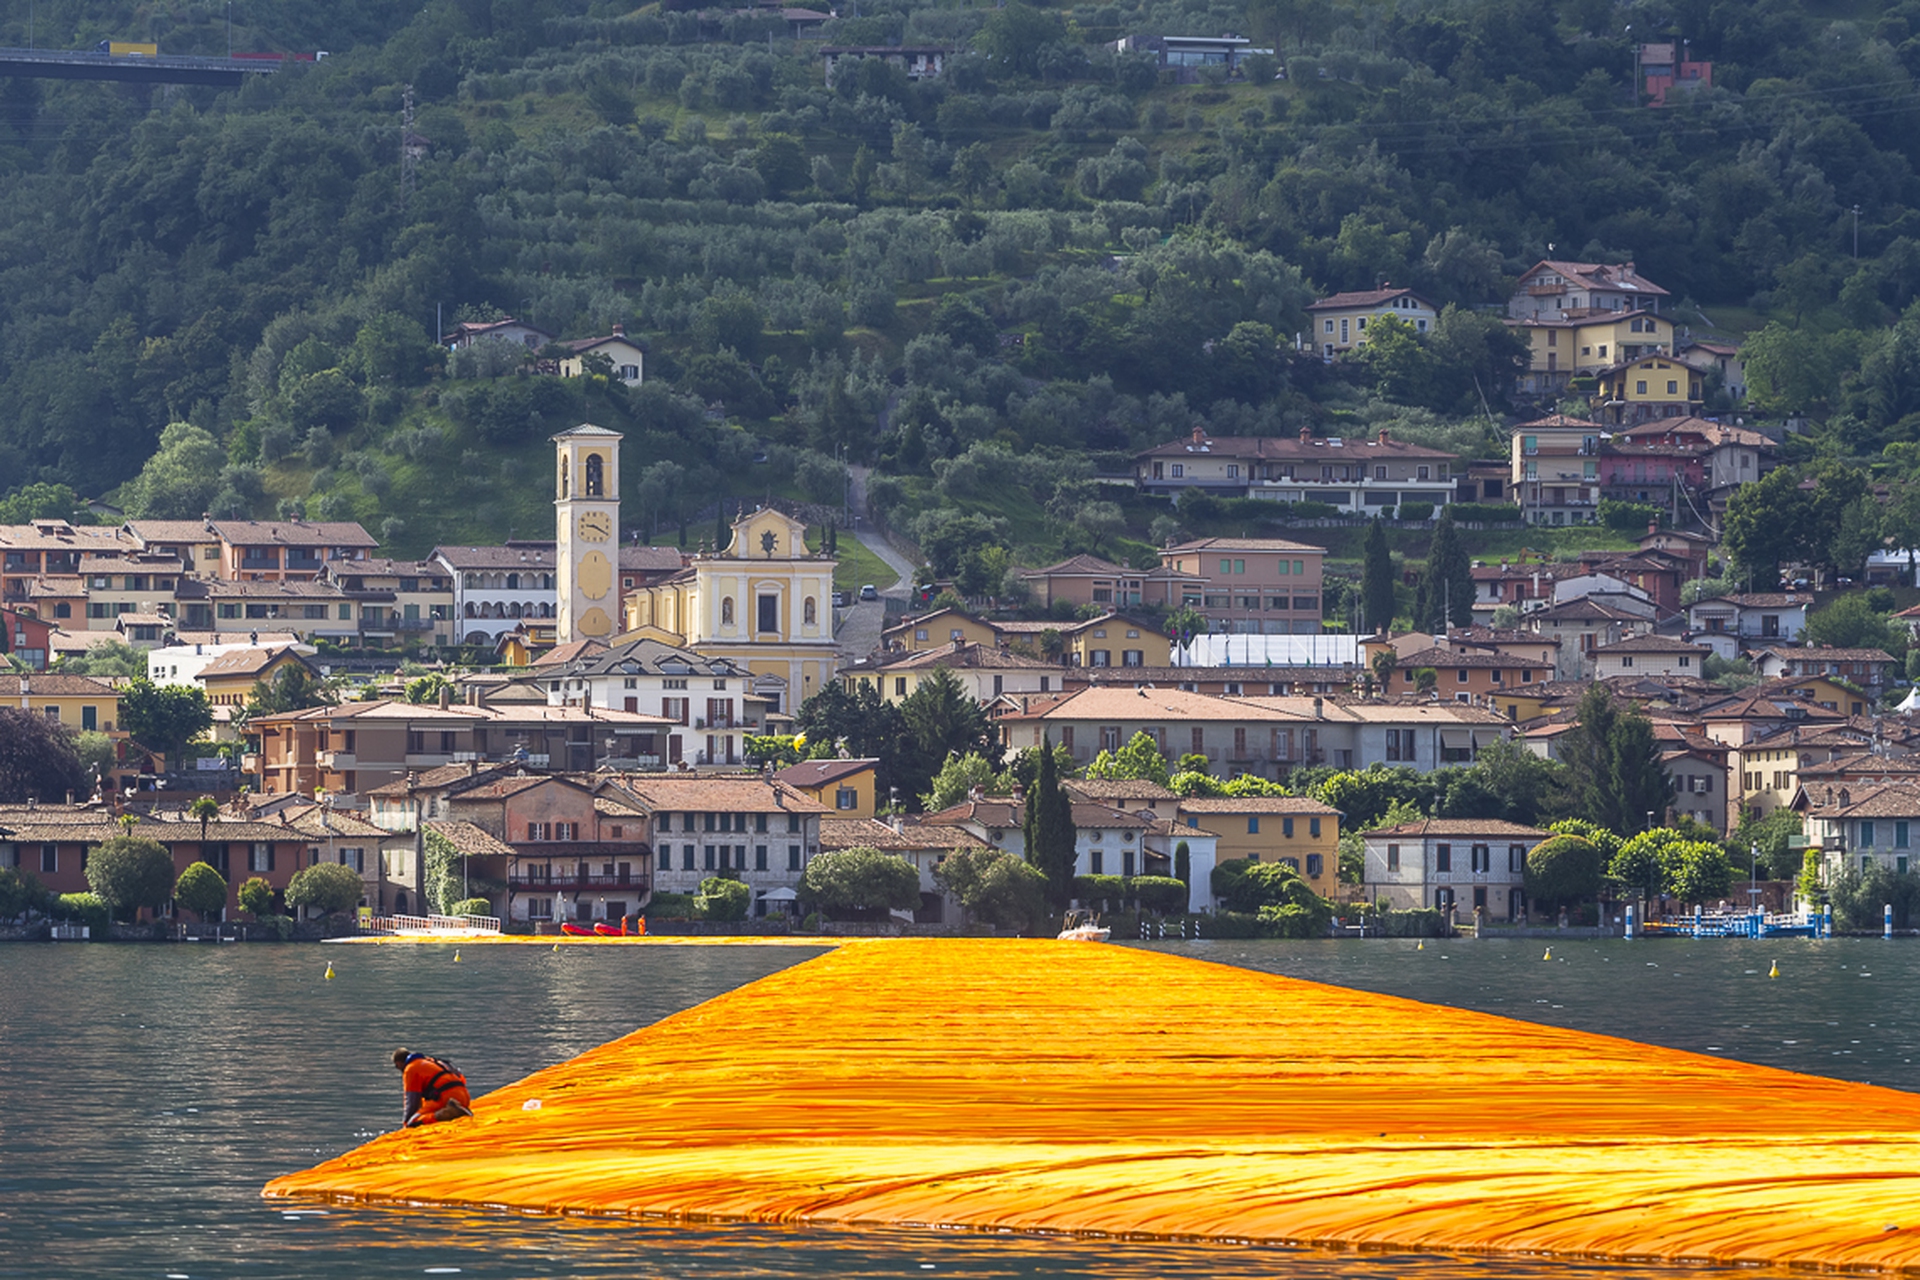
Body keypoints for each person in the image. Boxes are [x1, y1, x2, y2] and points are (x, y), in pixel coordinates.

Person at [392, 1048, 474, 1128]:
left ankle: (446, 1113)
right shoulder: (433, 1062)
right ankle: (458, 1109)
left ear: (398, 1063)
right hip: (465, 1096)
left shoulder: (410, 1069)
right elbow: (461, 1078)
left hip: (447, 1098)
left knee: (413, 1121)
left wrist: (406, 1122)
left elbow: (412, 1101)